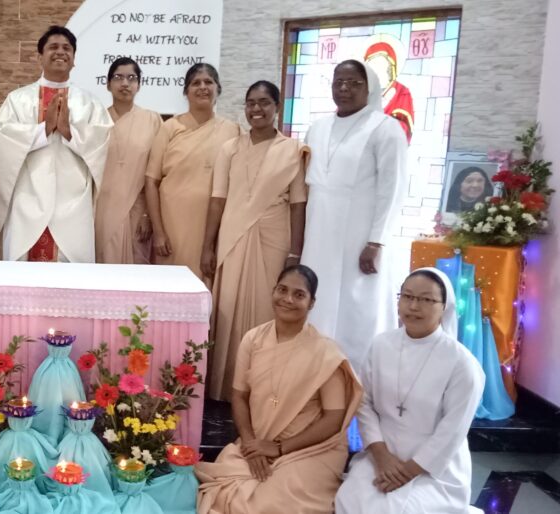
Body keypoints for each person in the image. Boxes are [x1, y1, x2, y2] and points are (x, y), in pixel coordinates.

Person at [196, 265, 361, 513]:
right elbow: (239, 396)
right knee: (225, 491)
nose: (288, 299)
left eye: (299, 294)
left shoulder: (326, 353)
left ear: (312, 303)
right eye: (282, 290)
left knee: (268, 504)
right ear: (273, 291)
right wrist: (251, 445)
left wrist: (281, 447)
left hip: (310, 449)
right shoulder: (253, 339)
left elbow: (334, 418)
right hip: (258, 441)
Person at [335, 268, 485, 513]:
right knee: (348, 499)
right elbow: (364, 403)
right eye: (407, 296)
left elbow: (453, 430)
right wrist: (381, 456)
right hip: (382, 454)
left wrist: (409, 471)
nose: (413, 306)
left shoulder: (461, 363)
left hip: (435, 467)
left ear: (444, 307)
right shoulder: (381, 345)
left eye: (426, 299)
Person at [201, 81, 308, 401]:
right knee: (228, 306)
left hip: (274, 237)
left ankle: (262, 387)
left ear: (277, 107)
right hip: (233, 235)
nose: (256, 109)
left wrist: (295, 253)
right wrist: (208, 246)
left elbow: (298, 204)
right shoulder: (230, 148)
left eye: (264, 103)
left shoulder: (293, 150)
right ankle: (223, 387)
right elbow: (217, 199)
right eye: (251, 103)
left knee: (267, 308)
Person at [300, 60, 408, 370]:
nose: (344, 88)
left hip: (360, 235)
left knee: (358, 306)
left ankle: (357, 376)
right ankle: (314, 370)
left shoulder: (385, 128)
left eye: (354, 83)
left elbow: (393, 189)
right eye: (339, 82)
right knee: (317, 298)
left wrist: (377, 241)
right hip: (319, 231)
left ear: (369, 88)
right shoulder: (318, 128)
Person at [0, 25, 112, 262]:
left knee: (70, 270)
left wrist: (69, 132)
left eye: (67, 48)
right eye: (53, 47)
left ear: (74, 59)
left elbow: (101, 140)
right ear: (40, 56)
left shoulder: (89, 102)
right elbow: (4, 135)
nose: (60, 52)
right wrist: (43, 130)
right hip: (28, 196)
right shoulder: (18, 99)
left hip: (73, 202)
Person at [145, 63, 241, 281]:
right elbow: (151, 182)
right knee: (171, 284)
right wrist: (158, 232)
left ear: (218, 89)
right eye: (196, 83)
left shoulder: (232, 131)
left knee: (206, 282)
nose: (202, 87)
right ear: (186, 91)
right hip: (172, 225)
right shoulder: (170, 127)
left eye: (208, 82)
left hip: (213, 225)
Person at [94, 57, 163, 264]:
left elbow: (158, 173)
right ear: (108, 84)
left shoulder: (152, 120)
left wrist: (148, 215)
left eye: (131, 78)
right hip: (101, 209)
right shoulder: (96, 121)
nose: (125, 83)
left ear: (139, 85)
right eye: (118, 77)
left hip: (137, 210)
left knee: (135, 269)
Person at [364, 40, 415, 143]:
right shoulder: (358, 90)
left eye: (380, 65)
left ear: (389, 67)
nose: (375, 70)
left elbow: (405, 129)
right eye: (372, 65)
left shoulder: (401, 92)